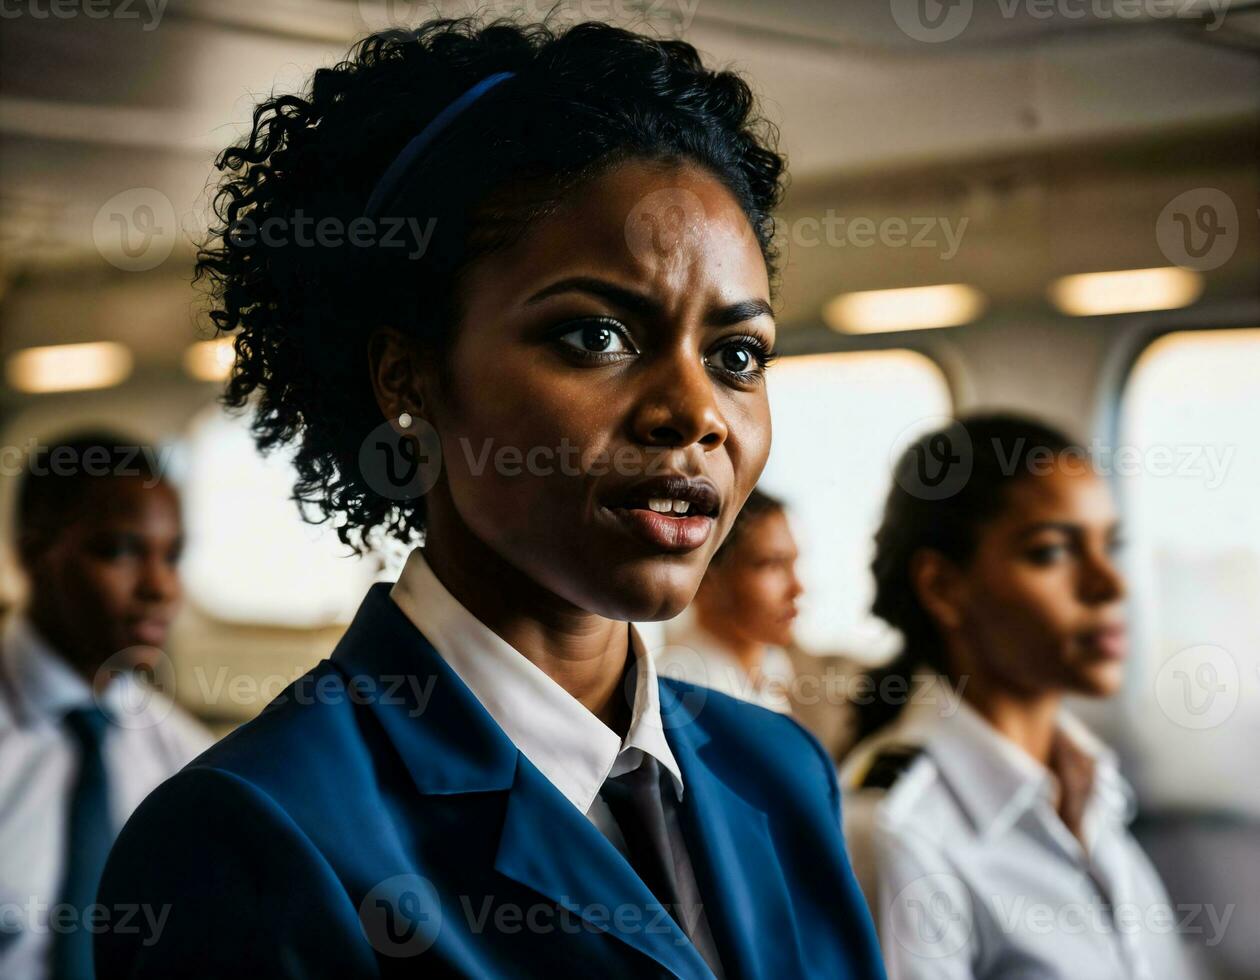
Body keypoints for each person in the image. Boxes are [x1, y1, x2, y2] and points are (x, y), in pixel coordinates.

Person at [95, 19, 885, 979]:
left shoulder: (780, 774)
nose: (696, 413)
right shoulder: (256, 834)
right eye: (595, 336)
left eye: (737, 356)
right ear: (408, 381)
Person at [838, 414, 1195, 979]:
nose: (1110, 585)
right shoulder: (896, 829)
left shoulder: (1089, 783)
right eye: (1052, 552)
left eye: (1110, 546)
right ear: (943, 587)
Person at [0, 432, 212, 980]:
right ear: (34, 552)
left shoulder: (186, 759)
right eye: (119, 550)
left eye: (173, 555)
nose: (160, 586)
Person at [659, 487, 859, 759]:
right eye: (771, 564)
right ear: (705, 577)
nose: (797, 588)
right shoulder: (678, 697)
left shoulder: (772, 671)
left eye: (793, 563)